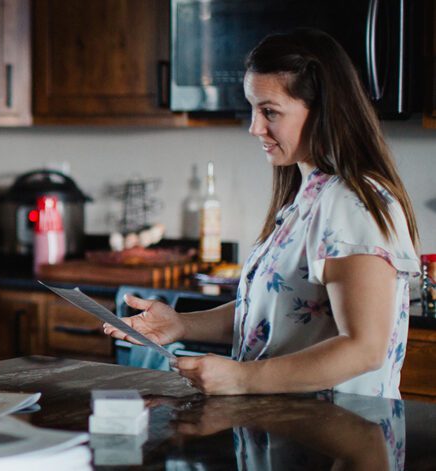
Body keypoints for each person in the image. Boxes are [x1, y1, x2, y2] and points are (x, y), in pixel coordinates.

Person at [105, 29, 419, 399]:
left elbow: (363, 349)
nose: (255, 128)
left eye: (269, 111)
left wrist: (241, 379)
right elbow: (278, 314)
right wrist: (178, 324)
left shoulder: (353, 203)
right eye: (253, 109)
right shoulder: (307, 198)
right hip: (292, 435)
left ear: (323, 112)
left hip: (341, 437)